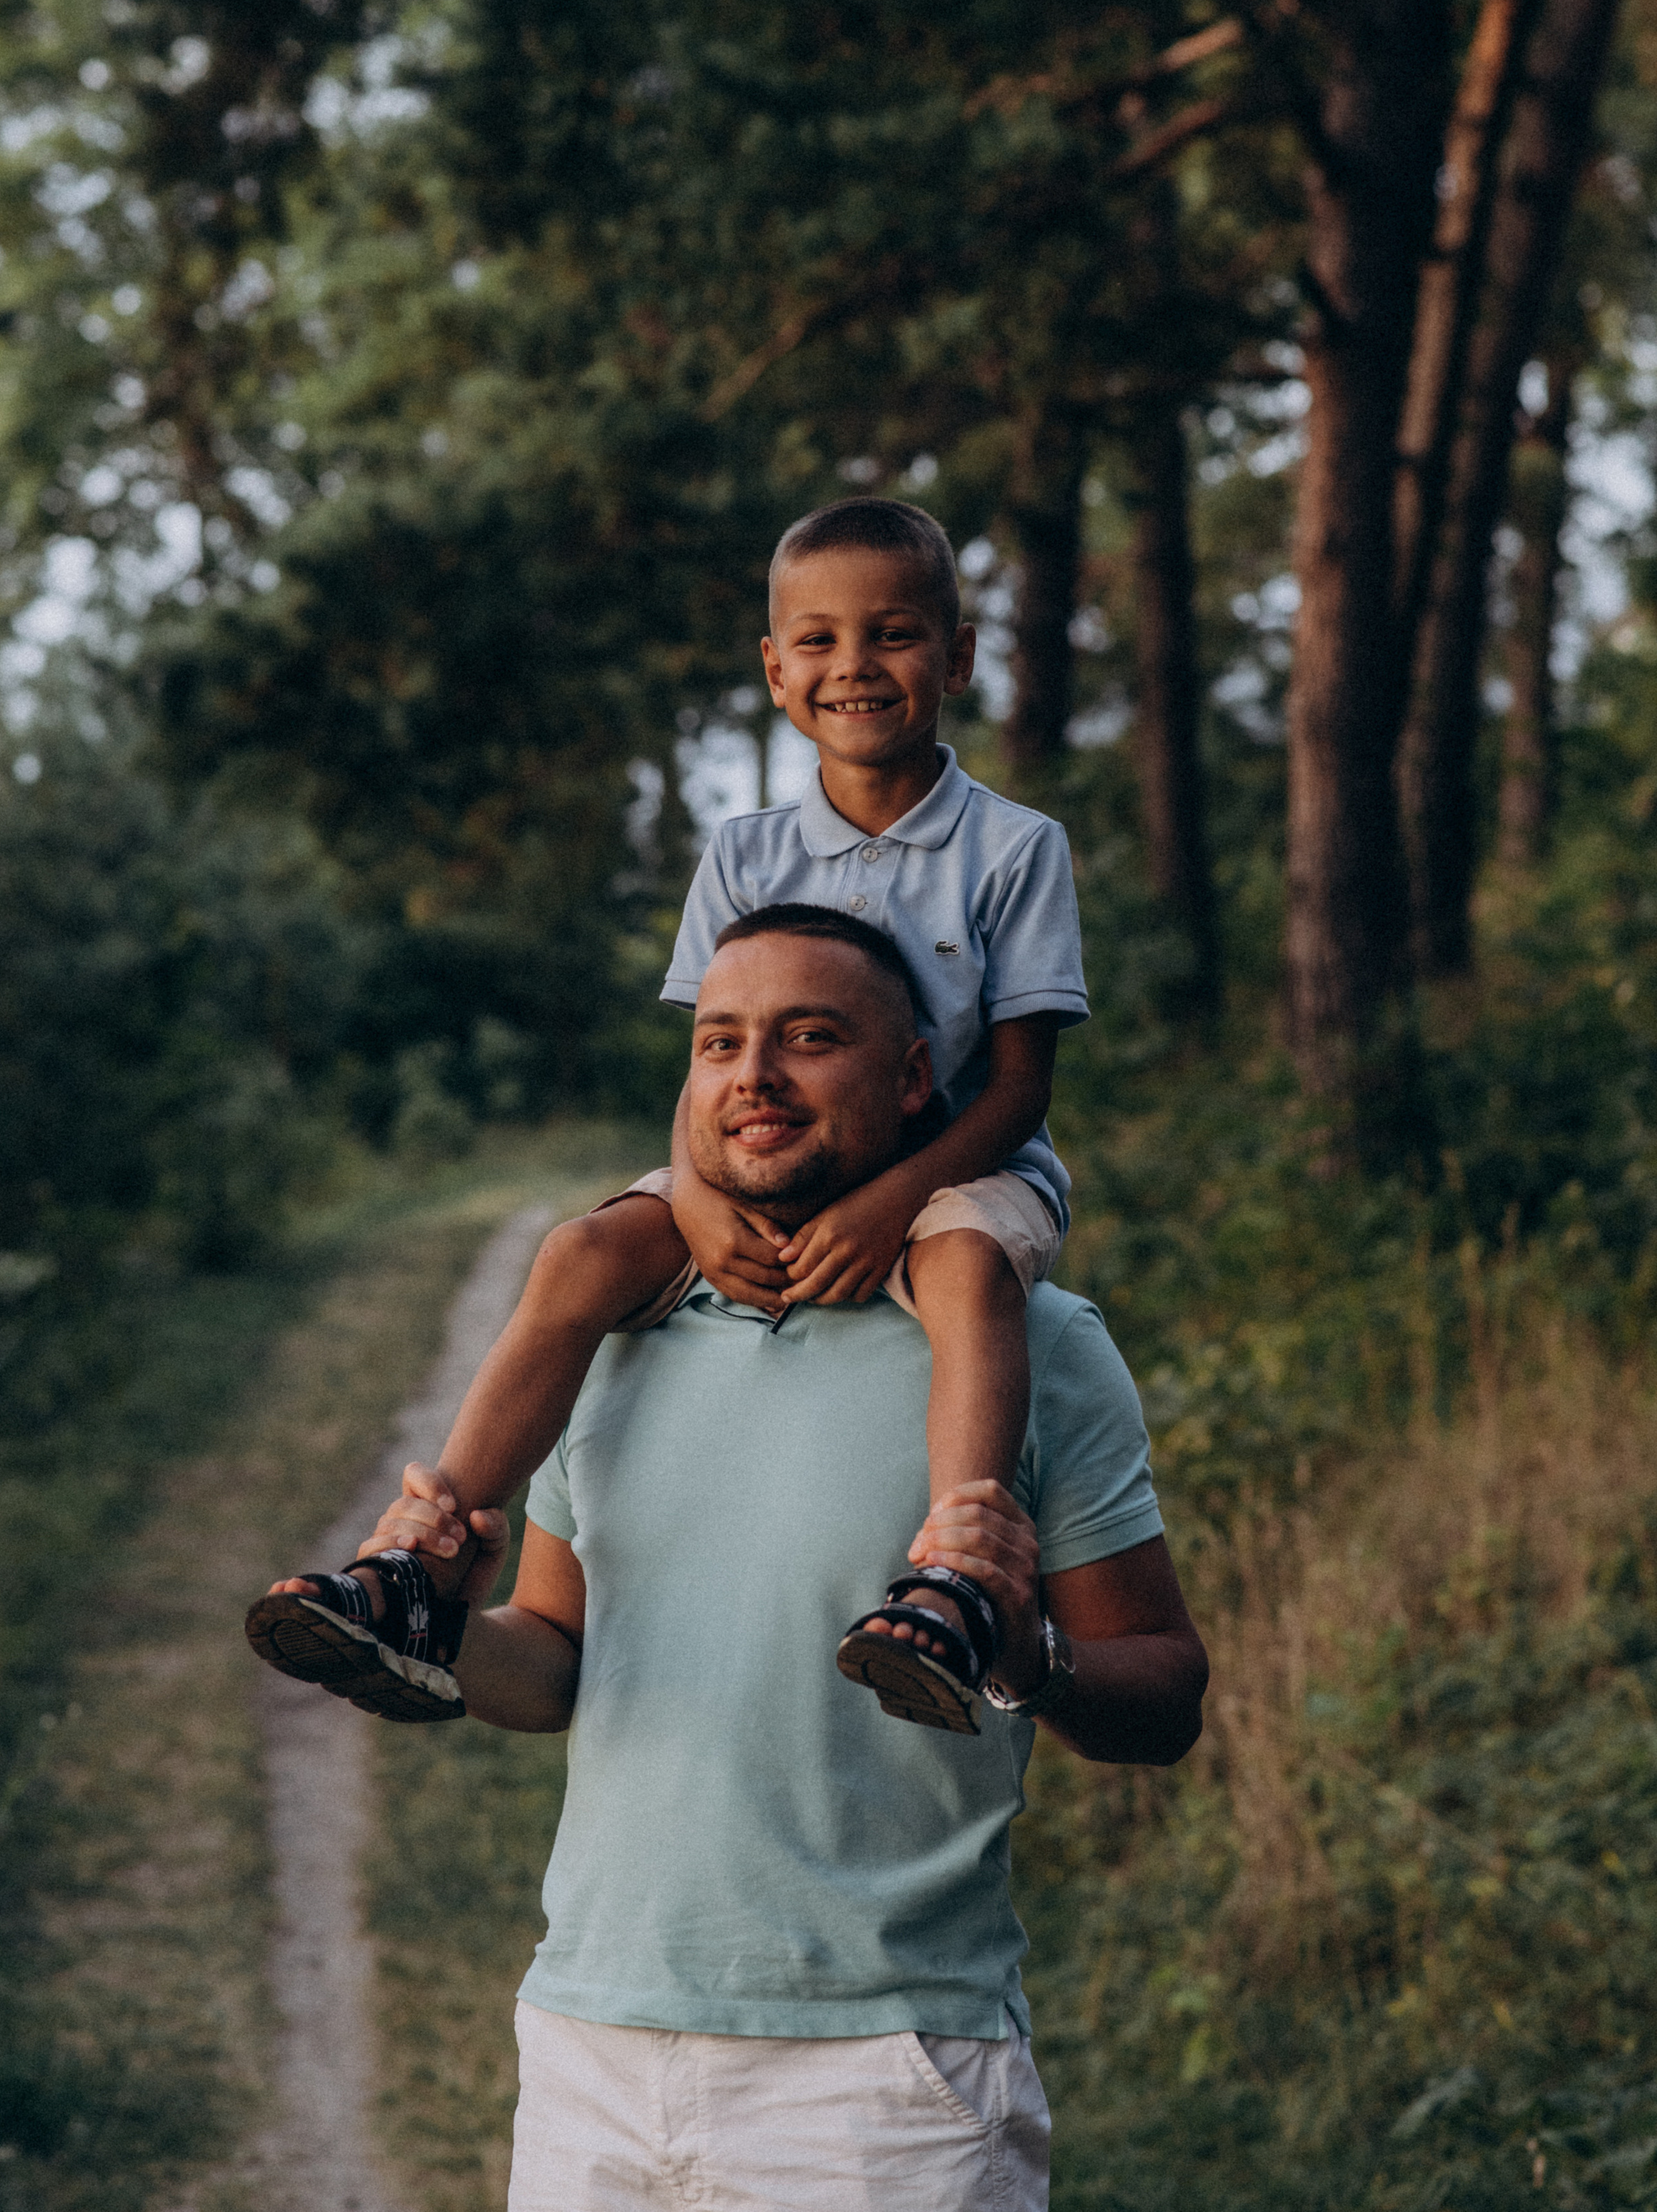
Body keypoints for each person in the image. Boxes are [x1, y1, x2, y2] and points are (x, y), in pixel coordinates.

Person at [354, 914, 1207, 2210]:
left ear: (912, 1077)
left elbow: (1167, 1694)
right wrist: (452, 1632)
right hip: (593, 2050)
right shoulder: (609, 1339)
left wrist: (1027, 1653)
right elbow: (555, 1669)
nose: (755, 1075)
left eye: (811, 1037)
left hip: (885, 2085)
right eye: (720, 1042)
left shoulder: (1032, 1344)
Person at [247, 496, 1087, 1734]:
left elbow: (1019, 1088)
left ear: (957, 657)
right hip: (763, 1162)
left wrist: (889, 1206)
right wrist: (693, 1198)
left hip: (960, 1169)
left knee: (967, 1267)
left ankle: (959, 1578)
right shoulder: (745, 854)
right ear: (776, 670)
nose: (854, 665)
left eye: (895, 634)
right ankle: (420, 1566)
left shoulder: (1014, 848)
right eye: (818, 640)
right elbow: (713, 1064)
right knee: (581, 1251)